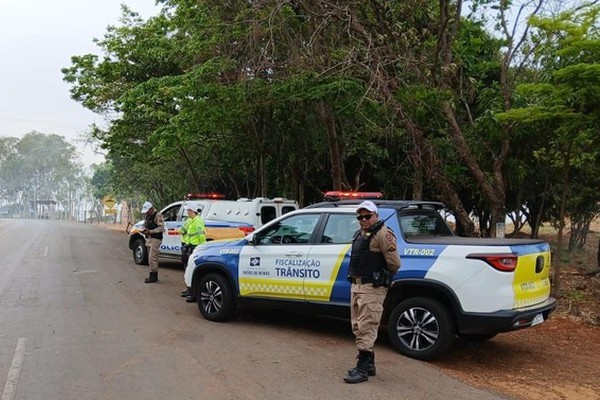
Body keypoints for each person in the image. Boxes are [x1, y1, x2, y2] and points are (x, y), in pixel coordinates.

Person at [343, 200, 401, 384]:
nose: (364, 219)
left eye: (368, 216)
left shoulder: (383, 234)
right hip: (358, 285)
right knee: (357, 326)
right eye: (360, 216)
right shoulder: (361, 234)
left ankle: (362, 369)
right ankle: (369, 364)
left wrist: (381, 276)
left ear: (376, 215)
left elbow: (394, 263)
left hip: (372, 288)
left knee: (367, 326)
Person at [179, 203, 206, 301]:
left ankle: (194, 294)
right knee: (187, 269)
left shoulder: (198, 221)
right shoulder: (191, 221)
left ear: (192, 211)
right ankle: (189, 290)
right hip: (189, 247)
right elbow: (182, 231)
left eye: (188, 210)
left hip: (195, 248)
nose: (187, 212)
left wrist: (202, 248)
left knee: (193, 270)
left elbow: (201, 236)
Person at [141, 201, 164, 283]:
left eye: (147, 211)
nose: (146, 213)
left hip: (155, 238)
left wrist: (150, 231)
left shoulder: (158, 215)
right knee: (150, 258)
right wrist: (144, 230)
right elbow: (145, 224)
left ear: (151, 209)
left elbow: (161, 228)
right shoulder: (147, 215)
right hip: (149, 238)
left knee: (152, 257)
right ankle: (152, 274)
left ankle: (153, 276)